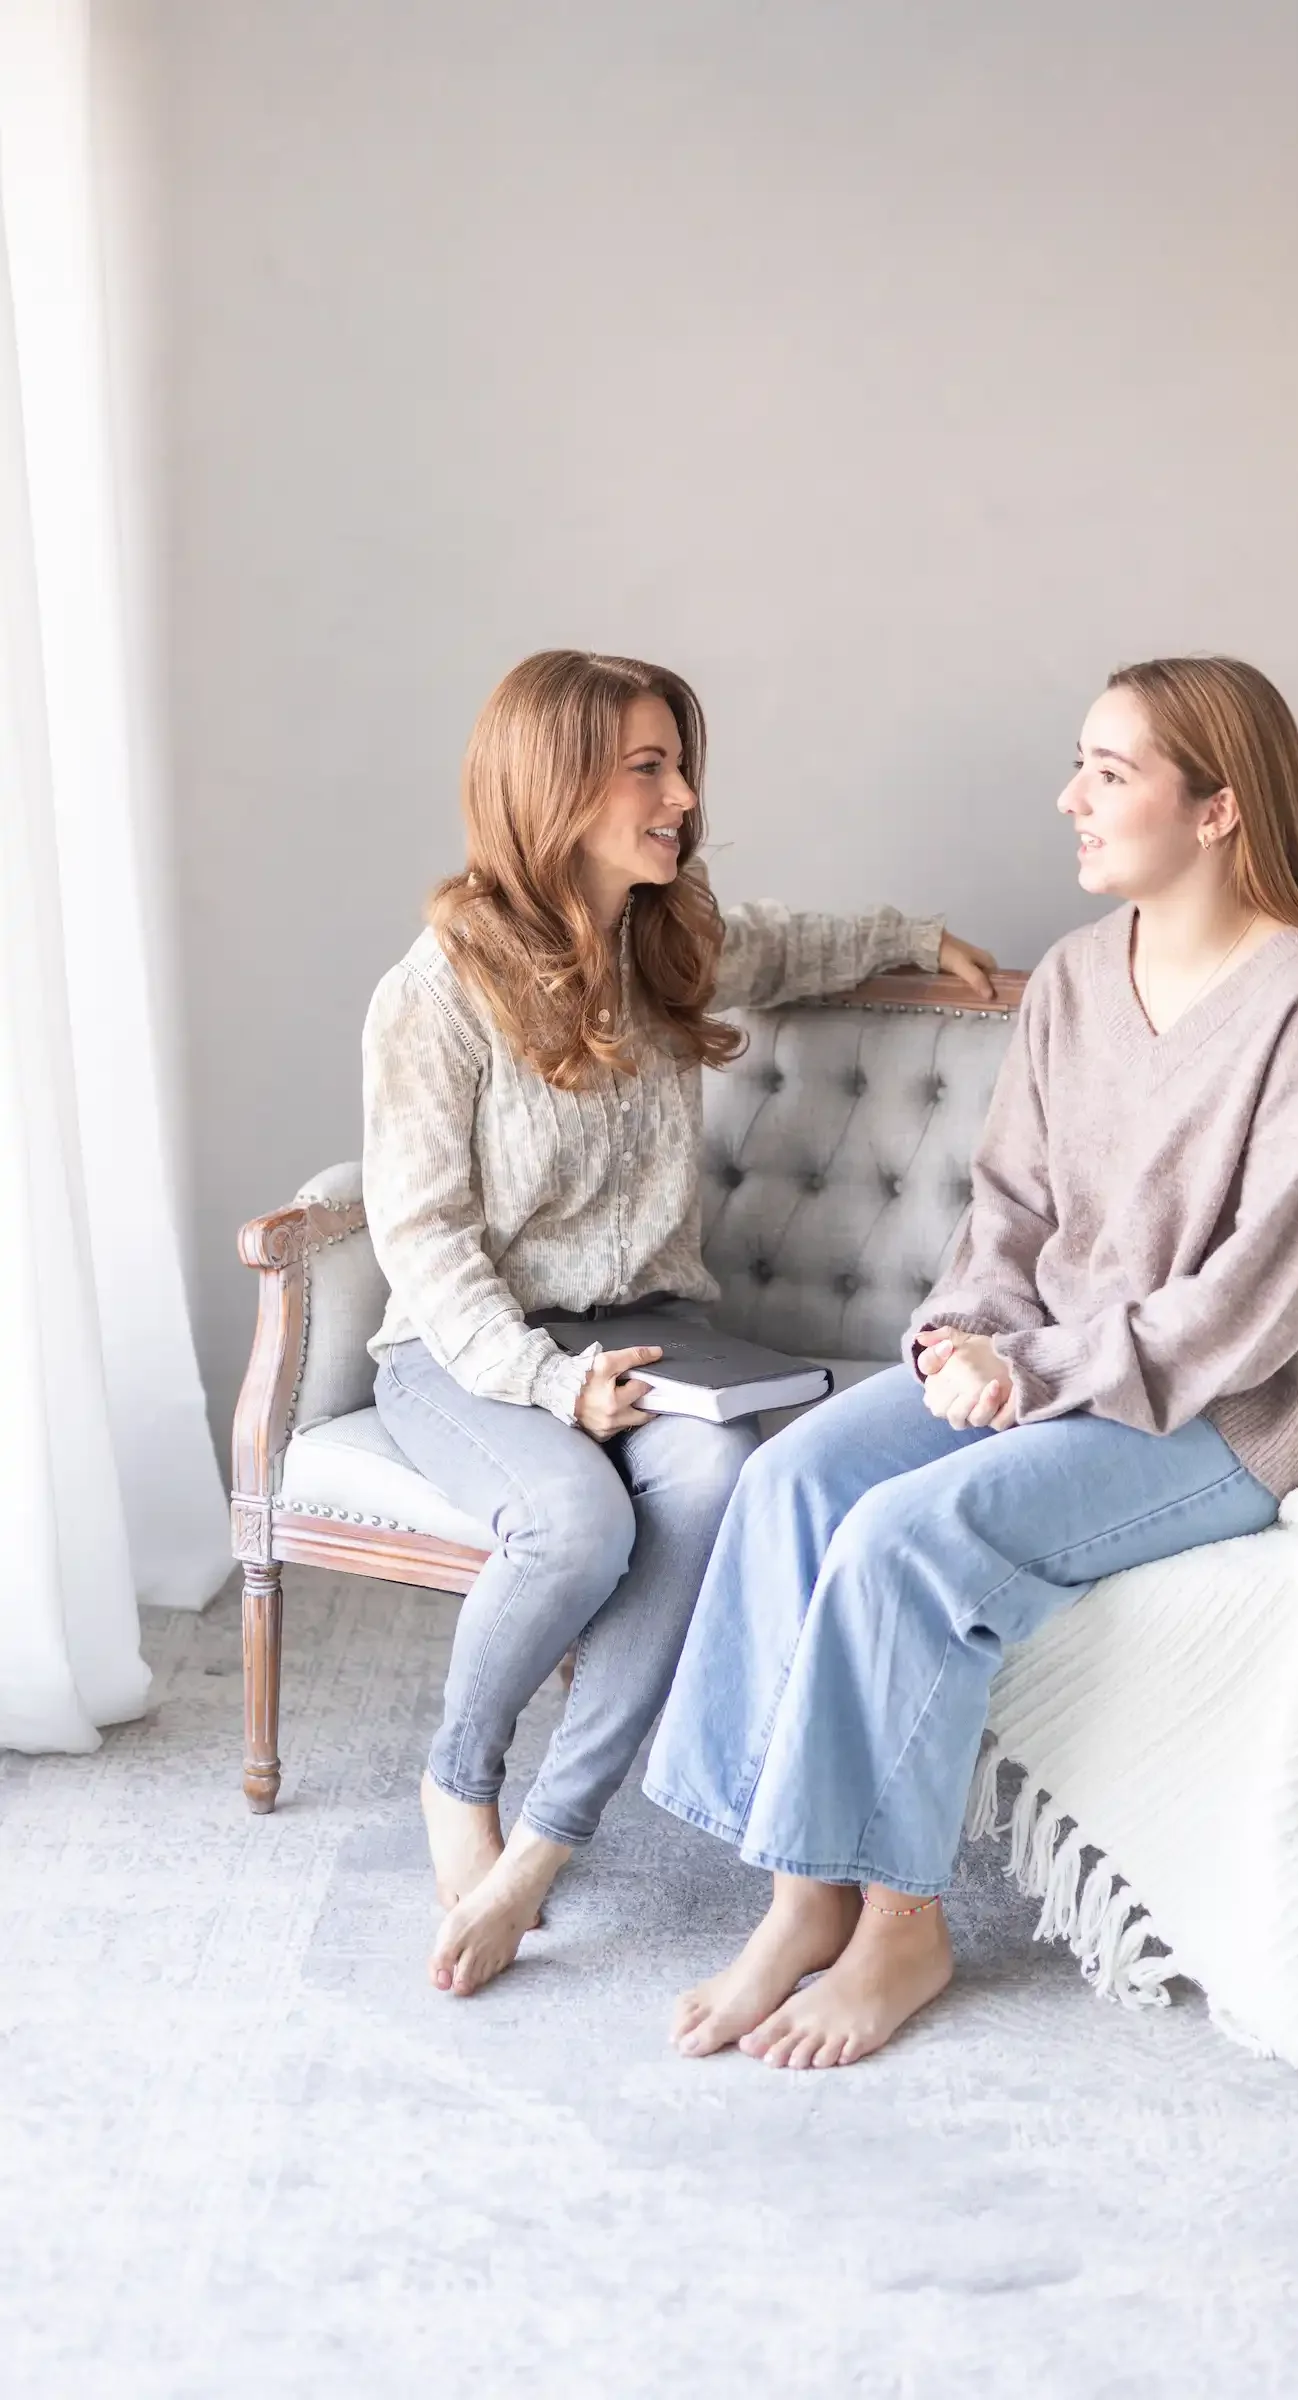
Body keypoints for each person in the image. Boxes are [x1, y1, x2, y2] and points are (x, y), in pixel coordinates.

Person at [645, 655, 1298, 2070]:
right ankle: (802, 1889)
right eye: (1082, 764)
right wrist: (967, 1340)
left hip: (1213, 1413)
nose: (1072, 798)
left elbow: (1254, 1301)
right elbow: (1009, 1213)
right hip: (1046, 1361)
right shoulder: (1068, 979)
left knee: (905, 1539)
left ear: (1221, 809)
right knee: (797, 1479)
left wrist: (1034, 1376)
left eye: (1110, 774)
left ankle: (901, 1922)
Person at [363, 648, 996, 1996]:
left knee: (724, 1476)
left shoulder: (668, 936)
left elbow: (784, 940)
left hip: (652, 1331)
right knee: (580, 1524)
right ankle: (457, 1777)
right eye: (647, 767)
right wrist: (544, 1386)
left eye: (677, 761)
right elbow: (423, 1245)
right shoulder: (436, 992)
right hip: (471, 1351)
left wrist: (909, 936)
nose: (682, 793)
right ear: (558, 785)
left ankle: (544, 1844)